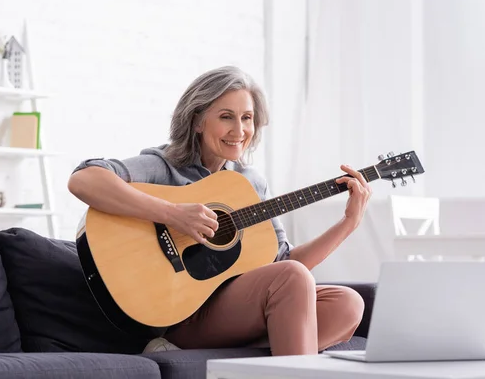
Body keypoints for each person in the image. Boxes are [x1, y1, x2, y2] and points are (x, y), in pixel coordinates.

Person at [67, 66, 371, 356]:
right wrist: (172, 214)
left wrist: (348, 223)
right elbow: (85, 179)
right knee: (292, 277)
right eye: (227, 117)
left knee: (347, 304)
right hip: (180, 314)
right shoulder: (165, 166)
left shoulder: (250, 183)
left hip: (237, 312)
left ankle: (244, 355)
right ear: (197, 121)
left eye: (247, 118)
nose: (239, 130)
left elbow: (285, 262)